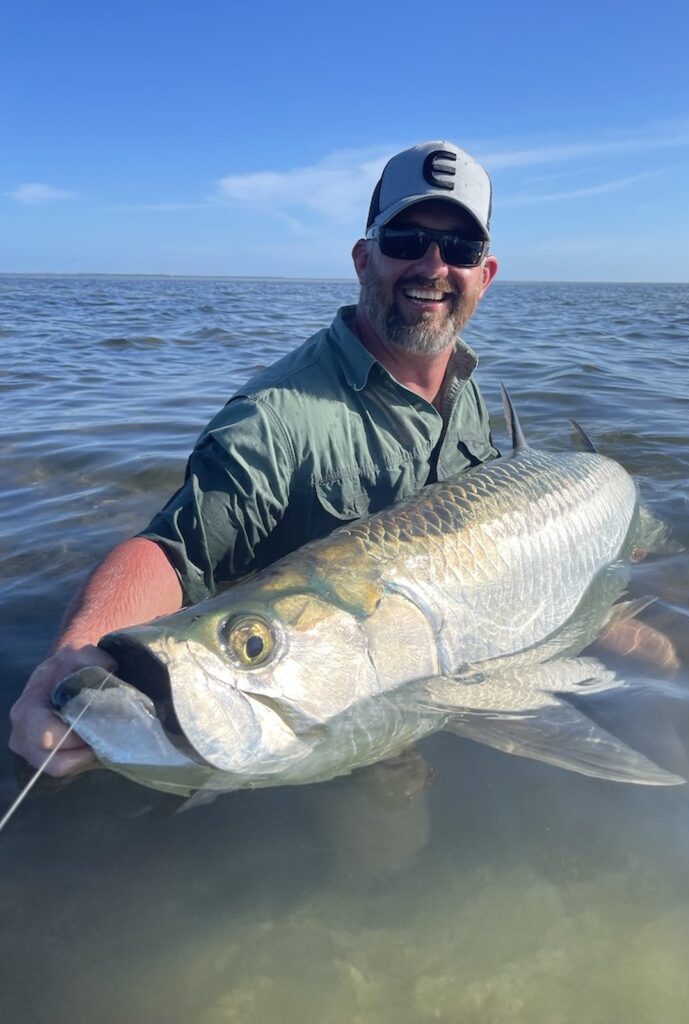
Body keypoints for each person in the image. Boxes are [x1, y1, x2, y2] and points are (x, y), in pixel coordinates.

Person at [9, 140, 500, 777]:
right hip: (325, 699)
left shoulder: (468, 386)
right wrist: (75, 655)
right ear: (364, 259)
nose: (433, 266)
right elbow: (176, 550)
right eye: (407, 239)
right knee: (392, 823)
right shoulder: (274, 416)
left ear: (484, 275)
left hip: (432, 659)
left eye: (460, 248)